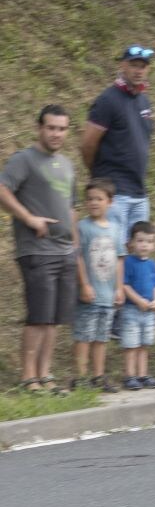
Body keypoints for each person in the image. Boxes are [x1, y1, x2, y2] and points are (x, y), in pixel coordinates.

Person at [0, 105, 78, 394]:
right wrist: (29, 218)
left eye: (62, 128)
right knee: (38, 316)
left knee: (54, 318)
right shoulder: (24, 160)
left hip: (64, 250)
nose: (56, 133)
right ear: (40, 128)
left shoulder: (67, 165)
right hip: (37, 250)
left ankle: (46, 375)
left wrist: (75, 246)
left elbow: (71, 208)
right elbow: (2, 189)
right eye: (51, 127)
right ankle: (28, 377)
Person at [81, 45, 155, 248]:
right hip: (116, 193)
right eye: (134, 65)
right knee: (110, 252)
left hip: (139, 194)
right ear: (123, 65)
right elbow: (87, 144)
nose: (139, 70)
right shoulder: (108, 100)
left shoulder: (144, 101)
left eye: (143, 66)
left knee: (136, 256)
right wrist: (98, 176)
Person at [71, 178, 125, 393]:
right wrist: (84, 284)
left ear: (109, 202)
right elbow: (78, 258)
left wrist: (119, 288)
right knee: (84, 336)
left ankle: (98, 376)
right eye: (90, 199)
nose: (94, 203)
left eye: (99, 199)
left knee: (102, 337)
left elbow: (120, 259)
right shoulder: (82, 227)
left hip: (108, 294)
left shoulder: (115, 228)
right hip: (89, 294)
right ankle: (81, 377)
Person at [120, 221, 155, 390]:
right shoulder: (128, 262)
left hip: (149, 312)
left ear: (154, 245)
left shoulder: (152, 264)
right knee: (131, 345)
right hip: (132, 310)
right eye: (140, 241)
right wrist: (138, 300)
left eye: (149, 241)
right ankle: (129, 376)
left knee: (145, 344)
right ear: (131, 243)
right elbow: (125, 285)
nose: (144, 245)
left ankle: (142, 374)